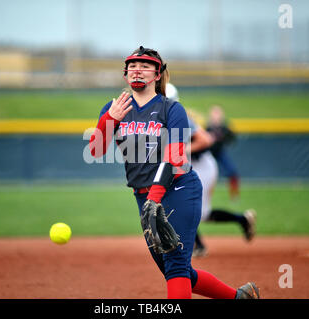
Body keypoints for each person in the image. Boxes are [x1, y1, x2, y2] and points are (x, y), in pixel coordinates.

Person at [89, 46, 259, 299]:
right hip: (143, 197)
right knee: (179, 272)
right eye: (132, 66)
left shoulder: (172, 109)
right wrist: (108, 120)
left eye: (145, 66)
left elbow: (175, 156)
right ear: (125, 75)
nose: (138, 70)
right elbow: (95, 150)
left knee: (176, 265)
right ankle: (240, 298)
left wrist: (156, 197)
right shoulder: (115, 108)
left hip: (179, 189)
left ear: (157, 74)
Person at [165, 83, 256, 258]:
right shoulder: (160, 118)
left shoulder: (178, 116)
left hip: (201, 166)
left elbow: (206, 140)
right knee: (190, 209)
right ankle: (241, 220)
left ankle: (197, 246)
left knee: (189, 208)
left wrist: (181, 150)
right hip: (188, 165)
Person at [206, 106, 240, 201]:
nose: (216, 117)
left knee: (232, 172)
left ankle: (234, 196)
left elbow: (232, 138)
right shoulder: (208, 128)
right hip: (209, 154)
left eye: (218, 115)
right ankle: (206, 194)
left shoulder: (224, 129)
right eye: (214, 115)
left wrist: (224, 138)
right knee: (209, 175)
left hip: (220, 153)